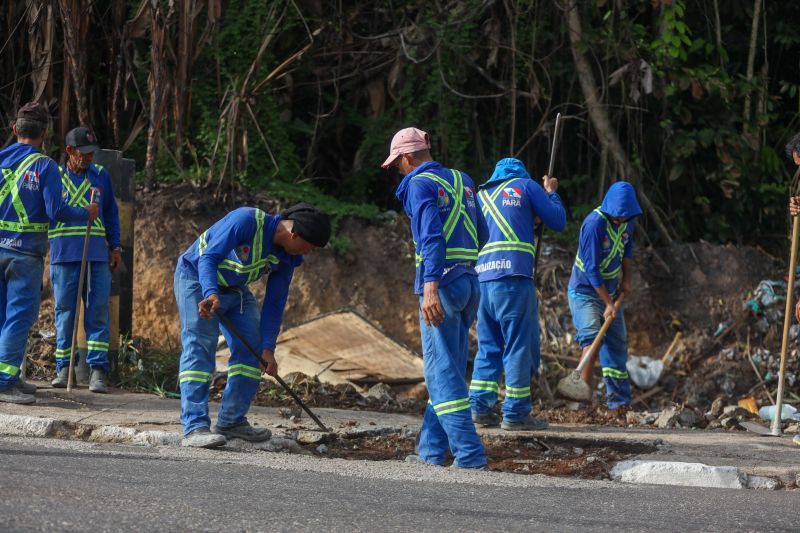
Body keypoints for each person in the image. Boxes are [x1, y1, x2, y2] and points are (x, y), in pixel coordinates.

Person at [174, 203, 330, 448]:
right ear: (294, 234)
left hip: (235, 290)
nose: (308, 253)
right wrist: (211, 292)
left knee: (253, 350)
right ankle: (194, 427)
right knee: (200, 347)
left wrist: (268, 348)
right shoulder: (246, 220)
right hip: (196, 278)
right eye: (309, 247)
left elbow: (275, 302)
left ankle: (231, 422)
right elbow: (209, 258)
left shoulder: (289, 257)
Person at [386, 126, 489, 469]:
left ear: (409, 158)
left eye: (398, 162)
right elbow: (483, 232)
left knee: (442, 376)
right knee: (448, 371)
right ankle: (430, 454)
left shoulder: (419, 183)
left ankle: (470, 456)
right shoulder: (462, 179)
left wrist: (430, 286)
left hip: (441, 286)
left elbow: (431, 239)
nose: (399, 169)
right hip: (469, 283)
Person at [0, 103, 98, 404]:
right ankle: (5, 382)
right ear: (45, 133)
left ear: (15, 130)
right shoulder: (45, 167)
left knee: (2, 315)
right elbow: (56, 211)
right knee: (18, 317)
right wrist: (86, 212)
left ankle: (11, 376)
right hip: (25, 254)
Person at [469, 158, 566, 430]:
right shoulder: (527, 186)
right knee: (518, 345)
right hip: (513, 280)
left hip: (482, 281)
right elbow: (557, 221)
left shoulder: (480, 195)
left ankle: (479, 408)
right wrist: (551, 193)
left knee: (489, 347)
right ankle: (515, 413)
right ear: (521, 174)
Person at [50, 127, 122, 393]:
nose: (90, 157)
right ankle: (64, 366)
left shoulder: (100, 175)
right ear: (70, 151)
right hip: (63, 254)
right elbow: (50, 211)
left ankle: (98, 370)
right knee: (65, 312)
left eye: (92, 153)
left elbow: (111, 214)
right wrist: (83, 212)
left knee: (98, 311)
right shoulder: (54, 176)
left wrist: (116, 247)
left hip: (96, 255)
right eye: (84, 153)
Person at [567, 182, 641, 410]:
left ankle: (618, 403)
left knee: (617, 345)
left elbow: (627, 251)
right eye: (617, 217)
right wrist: (608, 303)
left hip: (610, 292)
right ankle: (581, 403)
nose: (620, 221)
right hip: (585, 294)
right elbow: (591, 270)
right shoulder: (594, 224)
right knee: (590, 342)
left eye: (624, 218)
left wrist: (627, 279)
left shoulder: (628, 221)